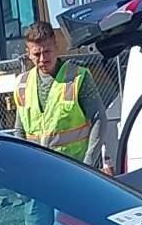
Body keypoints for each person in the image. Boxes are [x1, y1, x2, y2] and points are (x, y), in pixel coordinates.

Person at [13, 22, 103, 165]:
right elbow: (20, 130)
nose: (42, 59)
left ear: (56, 46)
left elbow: (99, 119)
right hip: (40, 169)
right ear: (29, 53)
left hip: (75, 169)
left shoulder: (77, 77)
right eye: (37, 54)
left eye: (47, 51)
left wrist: (89, 162)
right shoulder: (22, 84)